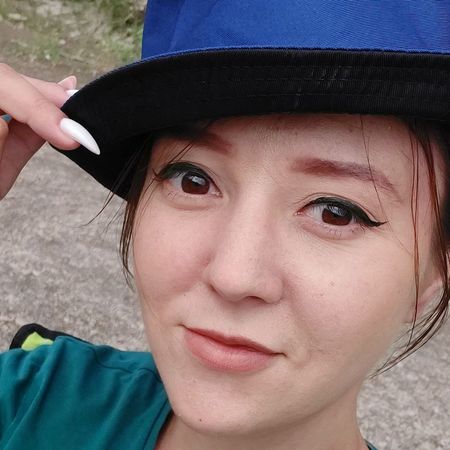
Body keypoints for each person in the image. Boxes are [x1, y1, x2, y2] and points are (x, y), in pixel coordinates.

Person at [0, 1, 449, 449]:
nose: (233, 276)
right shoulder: (32, 401)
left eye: (336, 211)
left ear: (435, 273)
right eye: (193, 180)